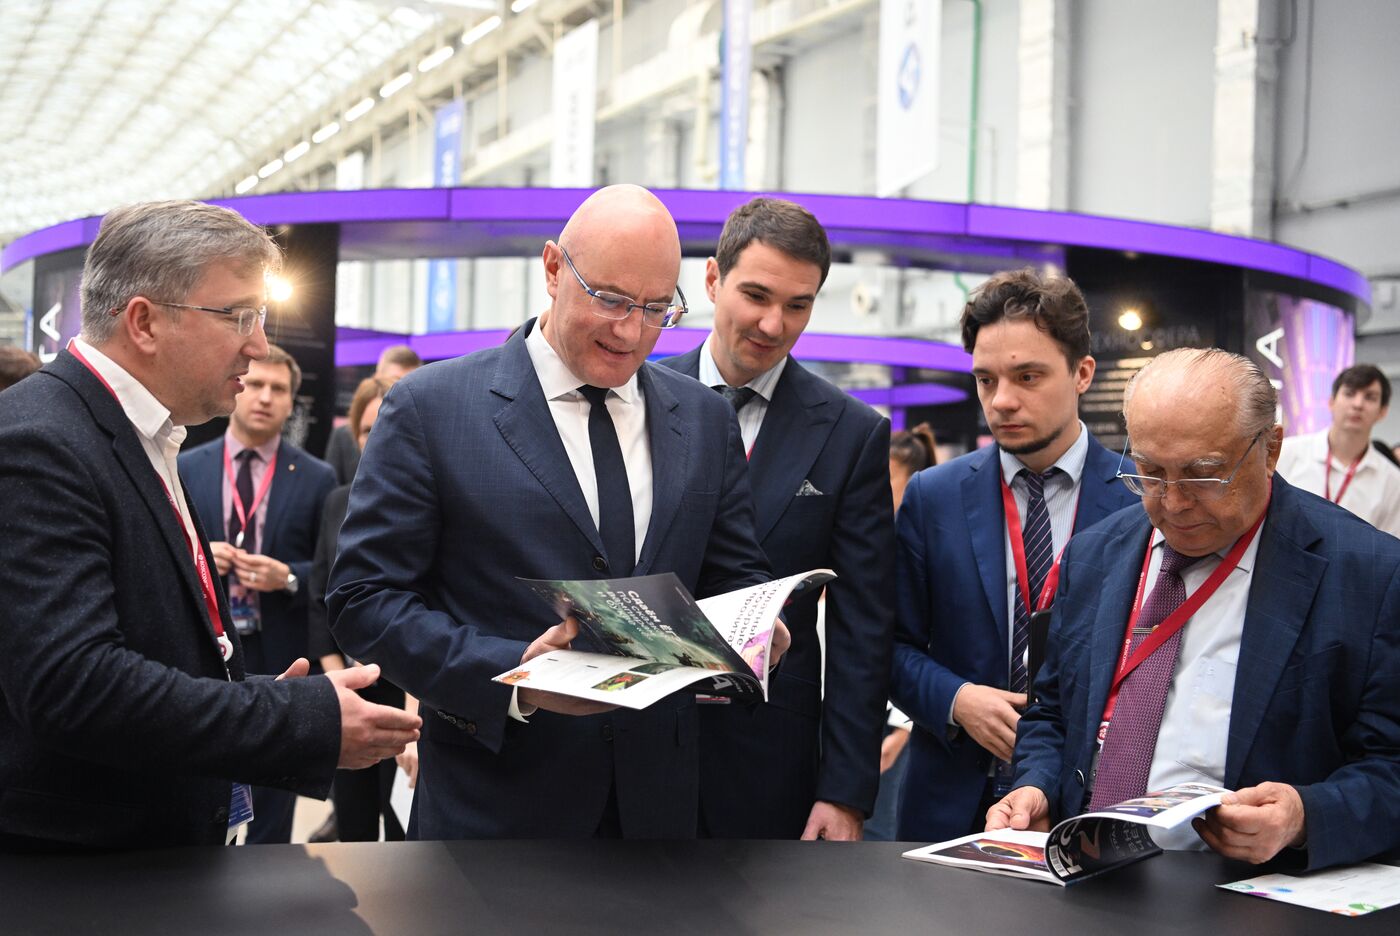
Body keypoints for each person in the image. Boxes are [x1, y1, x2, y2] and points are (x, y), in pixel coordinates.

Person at [328, 184, 785, 840]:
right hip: (496, 809)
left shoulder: (706, 420)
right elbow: (363, 600)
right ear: (551, 269)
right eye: (611, 300)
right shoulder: (431, 409)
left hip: (658, 812)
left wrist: (758, 630)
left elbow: (732, 578)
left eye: (658, 308)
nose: (632, 331)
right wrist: (519, 679)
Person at [0, 199, 419, 852]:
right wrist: (294, 719)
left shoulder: (144, 432)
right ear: (144, 322)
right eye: (239, 316)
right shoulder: (41, 441)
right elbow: (74, 687)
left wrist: (256, 698)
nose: (257, 345)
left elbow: (148, 652)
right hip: (87, 880)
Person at [989, 348, 1400, 870]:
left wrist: (1302, 816)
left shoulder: (1368, 575)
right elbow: (1052, 711)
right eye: (1150, 472)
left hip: (1246, 894)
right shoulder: (1095, 556)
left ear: (1270, 449)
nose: (1174, 502)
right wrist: (1038, 786)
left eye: (1203, 475)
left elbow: (1391, 767)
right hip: (1088, 881)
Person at [659, 197, 894, 841]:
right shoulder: (638, 397)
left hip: (767, 759)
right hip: (633, 741)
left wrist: (846, 792)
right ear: (712, 280)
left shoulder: (851, 434)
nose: (773, 323)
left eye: (799, 305)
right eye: (756, 295)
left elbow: (862, 629)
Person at [889, 268, 1140, 843]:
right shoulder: (934, 497)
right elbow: (888, 645)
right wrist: (956, 700)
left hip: (1086, 802)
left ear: (1082, 374)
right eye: (985, 380)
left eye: (1028, 376)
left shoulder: (1139, 499)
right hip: (950, 798)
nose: (1001, 401)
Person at [179, 343, 338, 843]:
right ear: (237, 386)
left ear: (293, 403)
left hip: (282, 646)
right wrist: (201, 560)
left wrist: (288, 575)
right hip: (206, 646)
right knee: (203, 773)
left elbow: (333, 570)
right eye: (256, 384)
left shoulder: (318, 477)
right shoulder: (185, 465)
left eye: (280, 389)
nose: (265, 397)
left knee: (274, 786)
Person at [308, 376, 411, 842]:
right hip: (345, 691)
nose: (377, 437)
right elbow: (319, 598)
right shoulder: (337, 503)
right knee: (352, 827)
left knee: (404, 828)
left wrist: (418, 707)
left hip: (408, 692)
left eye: (386, 424)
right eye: (368, 429)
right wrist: (334, 684)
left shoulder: (427, 500)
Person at [864, 422, 938, 842]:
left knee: (880, 831)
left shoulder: (913, 551)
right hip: (851, 714)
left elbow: (919, 641)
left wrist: (901, 730)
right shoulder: (867, 541)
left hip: (894, 720)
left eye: (883, 479)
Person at [1274, 364, 1400, 538]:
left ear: (1382, 412)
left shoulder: (1393, 481)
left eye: (1370, 398)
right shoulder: (1285, 453)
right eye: (1349, 394)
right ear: (1331, 402)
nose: (1358, 404)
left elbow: (1390, 549)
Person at [322, 345, 422, 485]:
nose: (402, 392)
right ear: (377, 379)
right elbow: (335, 494)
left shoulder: (423, 439)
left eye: (409, 384)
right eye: (395, 382)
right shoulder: (343, 436)